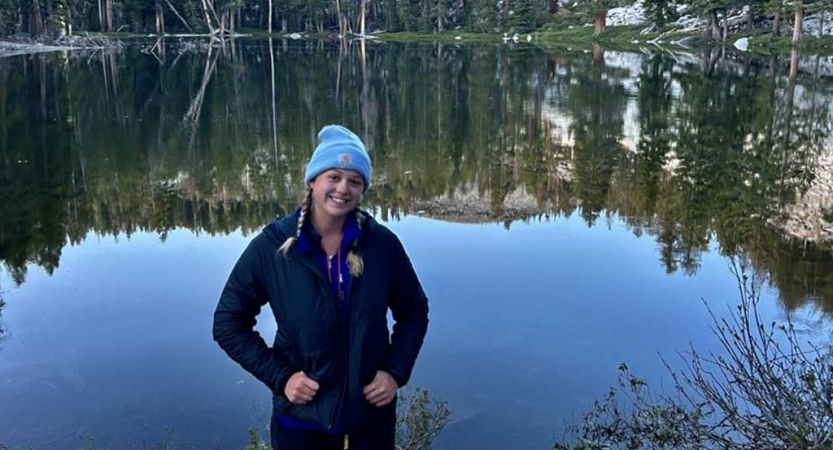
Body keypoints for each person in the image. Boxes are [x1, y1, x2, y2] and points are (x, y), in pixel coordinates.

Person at [213, 125, 429, 450]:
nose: (343, 189)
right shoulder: (273, 247)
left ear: (362, 189)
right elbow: (228, 323)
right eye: (334, 177)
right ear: (312, 181)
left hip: (370, 421)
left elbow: (414, 311)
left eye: (355, 181)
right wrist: (282, 377)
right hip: (301, 422)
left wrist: (394, 373)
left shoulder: (381, 245)